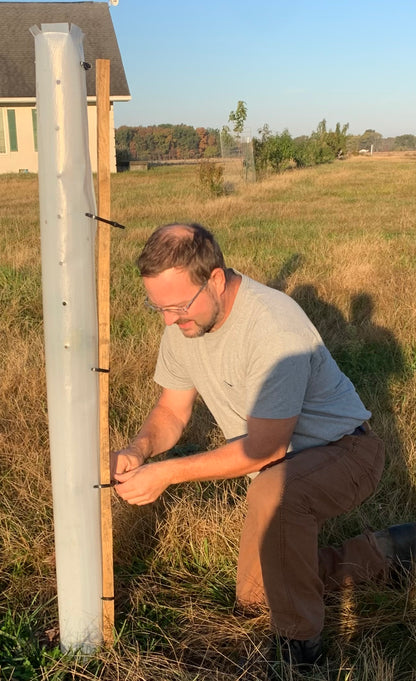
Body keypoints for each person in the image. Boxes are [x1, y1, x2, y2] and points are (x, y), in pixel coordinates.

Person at [111, 222, 416, 669]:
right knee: (256, 599)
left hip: (348, 453)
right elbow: (172, 412)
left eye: (177, 306)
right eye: (155, 307)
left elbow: (265, 451)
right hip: (278, 471)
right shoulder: (182, 322)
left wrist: (167, 473)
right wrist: (139, 448)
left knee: (275, 491)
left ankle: (302, 652)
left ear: (214, 278)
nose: (168, 321)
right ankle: (390, 553)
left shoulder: (273, 328)